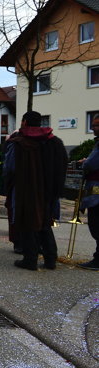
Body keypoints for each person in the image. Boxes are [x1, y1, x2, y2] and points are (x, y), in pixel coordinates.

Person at [3, 111, 68, 271]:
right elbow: (63, 165)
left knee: (27, 222)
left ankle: (30, 259)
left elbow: (10, 168)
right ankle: (50, 259)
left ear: (25, 122)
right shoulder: (54, 142)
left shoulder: (19, 142)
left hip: (26, 189)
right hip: (49, 190)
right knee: (45, 222)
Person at [77, 115, 99, 270]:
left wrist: (85, 163)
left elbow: (91, 164)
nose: (93, 128)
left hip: (96, 189)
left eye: (96, 125)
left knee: (96, 223)